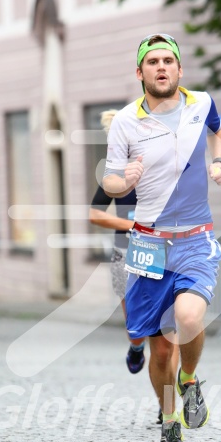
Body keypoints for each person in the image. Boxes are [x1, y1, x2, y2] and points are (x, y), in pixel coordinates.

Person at [103, 33, 221, 442]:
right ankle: (170, 419)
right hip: (148, 243)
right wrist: (124, 181)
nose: (162, 67)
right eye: (153, 62)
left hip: (195, 238)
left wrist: (219, 160)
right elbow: (109, 180)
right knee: (159, 351)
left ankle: (190, 379)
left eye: (168, 61)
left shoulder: (202, 103)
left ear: (179, 69)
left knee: (189, 316)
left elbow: (219, 133)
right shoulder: (125, 121)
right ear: (139, 72)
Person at [90, 110, 146, 374]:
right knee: (136, 325)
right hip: (125, 251)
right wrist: (133, 225)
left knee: (167, 332)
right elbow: (95, 214)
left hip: (163, 250)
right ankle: (136, 346)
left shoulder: (159, 168)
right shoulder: (114, 174)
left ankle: (167, 402)